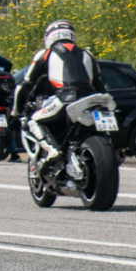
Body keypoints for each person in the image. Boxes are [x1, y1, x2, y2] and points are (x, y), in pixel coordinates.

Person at [13, 21, 106, 165]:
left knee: (34, 121)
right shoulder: (88, 54)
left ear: (49, 37)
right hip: (93, 100)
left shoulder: (46, 54)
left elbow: (25, 85)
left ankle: (52, 150)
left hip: (65, 99)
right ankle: (109, 143)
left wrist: (16, 111)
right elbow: (99, 83)